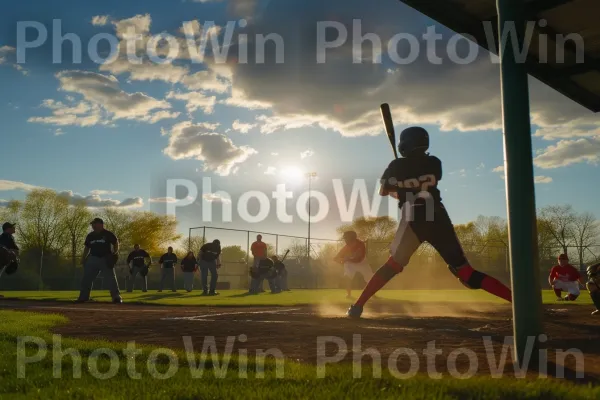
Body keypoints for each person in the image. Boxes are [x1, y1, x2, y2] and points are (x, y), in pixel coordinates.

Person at [347, 127, 512, 318]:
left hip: (414, 218)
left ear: (405, 144)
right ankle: (519, 302)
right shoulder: (435, 163)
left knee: (393, 265)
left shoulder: (396, 166)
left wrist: (397, 186)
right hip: (438, 216)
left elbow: (383, 191)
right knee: (466, 273)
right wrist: (404, 184)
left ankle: (358, 306)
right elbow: (419, 180)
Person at [76, 218, 122, 304]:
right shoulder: (90, 236)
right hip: (93, 258)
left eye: (94, 224)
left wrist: (114, 253)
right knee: (87, 278)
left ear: (101, 224)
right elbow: (87, 248)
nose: (93, 226)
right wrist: (83, 258)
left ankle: (116, 297)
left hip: (105, 258)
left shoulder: (108, 234)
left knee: (111, 278)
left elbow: (116, 242)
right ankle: (83, 297)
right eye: (92, 224)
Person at [334, 231, 373, 299]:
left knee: (370, 278)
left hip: (362, 263)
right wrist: (342, 260)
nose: (345, 240)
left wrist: (348, 258)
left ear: (352, 238)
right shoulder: (346, 247)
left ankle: (372, 294)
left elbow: (360, 258)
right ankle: (349, 295)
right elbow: (335, 258)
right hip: (350, 264)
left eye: (346, 238)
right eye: (345, 238)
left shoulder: (361, 244)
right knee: (347, 277)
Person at [0, 222, 20, 298]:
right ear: (8, 229)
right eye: (12, 227)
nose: (14, 228)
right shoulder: (6, 236)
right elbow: (12, 249)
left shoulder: (6, 236)